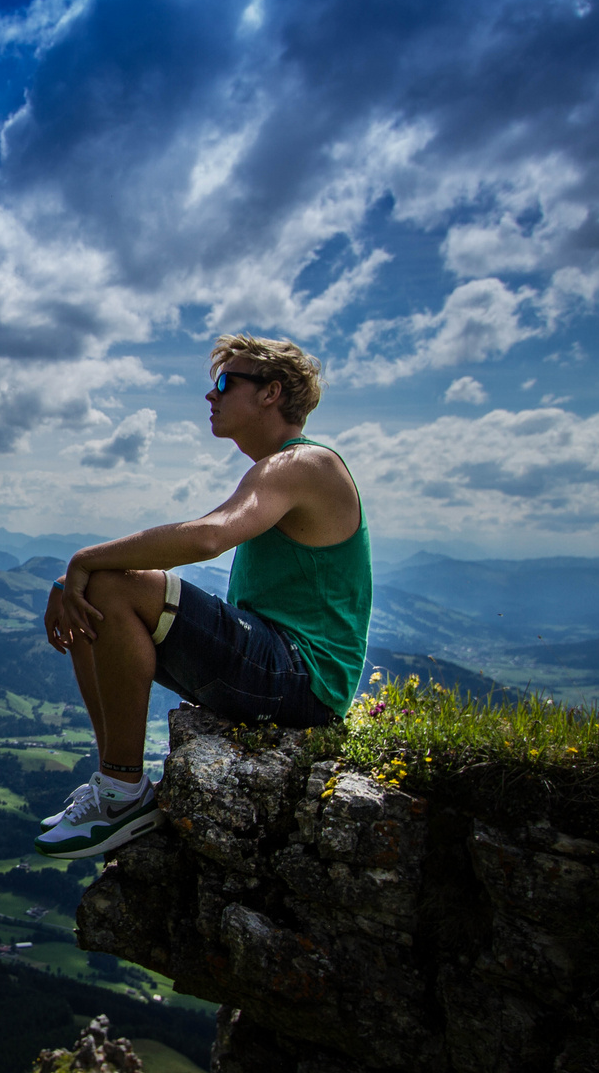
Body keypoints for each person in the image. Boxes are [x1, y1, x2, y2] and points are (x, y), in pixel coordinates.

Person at [33, 334, 371, 860]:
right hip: (280, 671)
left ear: (270, 393)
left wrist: (84, 560)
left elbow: (208, 537)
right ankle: (114, 785)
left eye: (224, 383)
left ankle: (122, 794)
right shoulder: (276, 470)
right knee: (89, 600)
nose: (210, 396)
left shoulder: (304, 464)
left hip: (305, 678)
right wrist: (72, 583)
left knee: (108, 583)